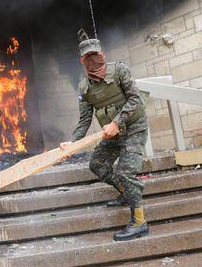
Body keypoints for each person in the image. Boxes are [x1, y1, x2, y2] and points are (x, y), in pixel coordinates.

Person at [60, 30, 149, 241]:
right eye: (88, 56)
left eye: (95, 54)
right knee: (97, 164)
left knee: (126, 171)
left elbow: (135, 98)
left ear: (103, 54)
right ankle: (126, 192)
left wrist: (117, 122)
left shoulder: (120, 71)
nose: (93, 59)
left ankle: (140, 222)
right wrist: (72, 144)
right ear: (82, 60)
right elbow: (84, 120)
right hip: (111, 135)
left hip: (134, 127)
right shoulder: (84, 87)